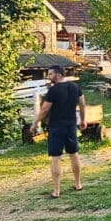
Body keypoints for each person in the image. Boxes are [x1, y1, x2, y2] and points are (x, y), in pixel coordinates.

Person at [31, 65, 87, 197]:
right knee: (74, 154)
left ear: (59, 75)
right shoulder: (75, 87)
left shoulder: (53, 90)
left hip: (56, 127)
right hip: (71, 125)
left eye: (51, 74)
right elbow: (82, 105)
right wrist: (83, 120)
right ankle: (78, 184)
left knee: (56, 158)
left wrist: (35, 123)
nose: (49, 77)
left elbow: (44, 109)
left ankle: (56, 191)